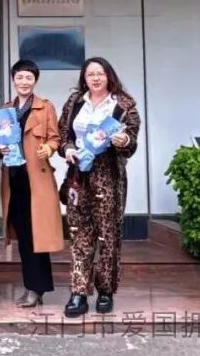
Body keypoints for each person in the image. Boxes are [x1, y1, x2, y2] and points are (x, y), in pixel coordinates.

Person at [58, 56, 142, 317]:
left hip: (108, 176)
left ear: (109, 76)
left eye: (100, 74)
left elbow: (131, 143)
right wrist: (68, 149)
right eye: (90, 74)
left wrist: (123, 140)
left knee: (108, 234)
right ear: (84, 78)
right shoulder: (75, 102)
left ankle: (106, 290)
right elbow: (63, 135)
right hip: (78, 175)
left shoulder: (124, 105)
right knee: (79, 233)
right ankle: (79, 292)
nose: (95, 78)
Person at [0, 60, 64, 309]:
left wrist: (49, 147)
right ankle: (32, 286)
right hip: (13, 181)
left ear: (35, 80)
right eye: (20, 77)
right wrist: (1, 148)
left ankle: (36, 288)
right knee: (25, 236)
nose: (24, 82)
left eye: (29, 77)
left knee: (38, 236)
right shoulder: (6, 110)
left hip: (37, 180)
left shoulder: (45, 107)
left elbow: (56, 138)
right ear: (13, 79)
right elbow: (1, 141)